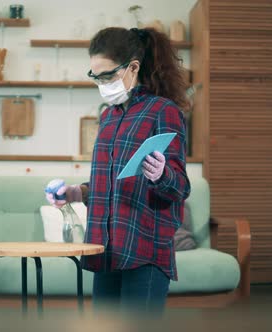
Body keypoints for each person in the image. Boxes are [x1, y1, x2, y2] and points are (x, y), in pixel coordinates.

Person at [45, 27, 191, 316]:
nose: (101, 82)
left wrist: (162, 174)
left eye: (107, 75)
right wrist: (75, 193)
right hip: (105, 250)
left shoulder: (163, 111)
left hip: (145, 249)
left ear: (133, 67)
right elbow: (108, 182)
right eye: (95, 76)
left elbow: (180, 187)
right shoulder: (108, 116)